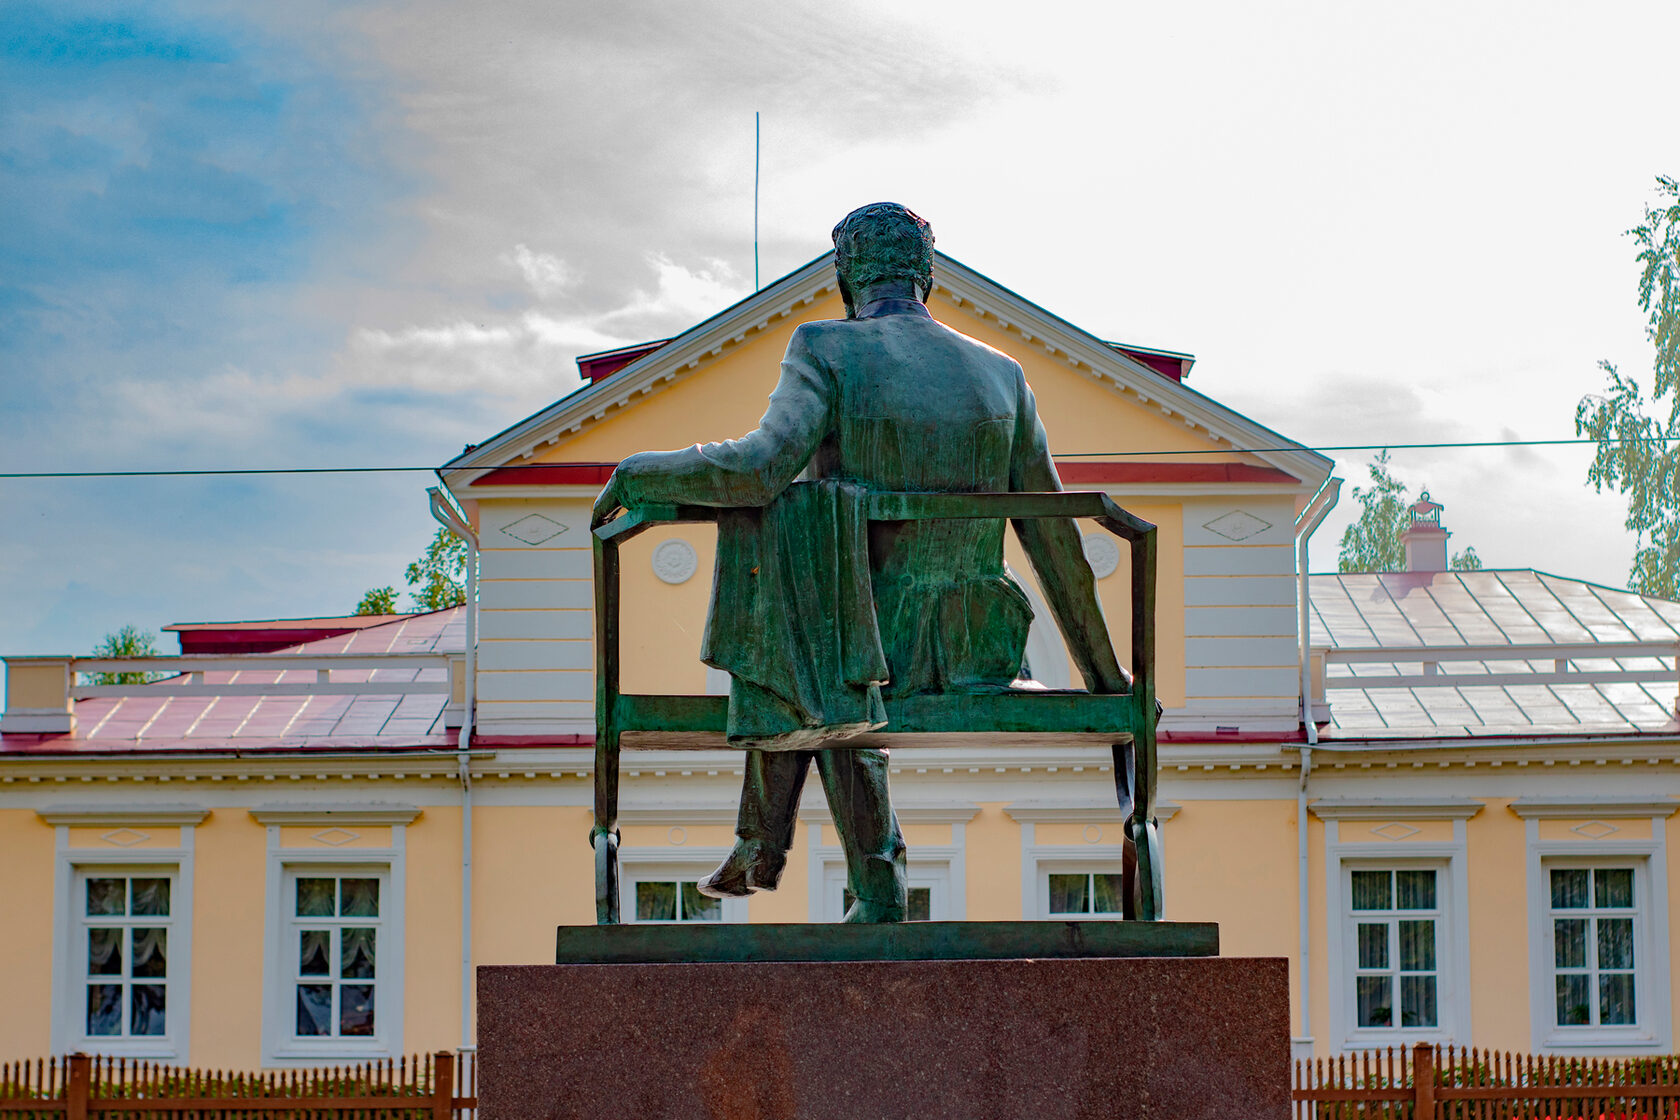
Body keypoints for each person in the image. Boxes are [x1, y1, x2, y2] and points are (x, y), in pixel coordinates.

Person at [591, 202, 1131, 922]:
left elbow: (758, 469)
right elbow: (1054, 540)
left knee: (816, 608)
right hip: (980, 653)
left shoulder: (825, 348)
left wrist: (639, 473)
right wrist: (1106, 682)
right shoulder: (1004, 374)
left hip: (859, 657)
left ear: (845, 275)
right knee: (827, 605)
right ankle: (865, 884)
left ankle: (802, 855)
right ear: (927, 276)